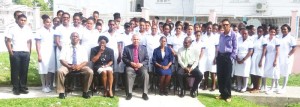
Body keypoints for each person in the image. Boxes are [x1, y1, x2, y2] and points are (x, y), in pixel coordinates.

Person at [56, 32, 93, 99]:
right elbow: (61, 59)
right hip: (68, 65)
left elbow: (85, 61)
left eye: (76, 36)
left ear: (79, 38)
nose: (75, 37)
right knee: (60, 71)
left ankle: (85, 91)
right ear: (70, 38)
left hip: (80, 65)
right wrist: (69, 66)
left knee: (90, 72)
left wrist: (79, 66)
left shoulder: (82, 48)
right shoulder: (65, 47)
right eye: (73, 36)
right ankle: (61, 92)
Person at [5, 14, 32, 95]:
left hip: (25, 52)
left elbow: (29, 41)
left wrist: (29, 52)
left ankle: (22, 87)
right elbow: (8, 41)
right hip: (15, 52)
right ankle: (16, 88)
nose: (23, 22)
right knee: (15, 71)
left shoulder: (28, 29)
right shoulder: (12, 29)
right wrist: (10, 52)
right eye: (21, 20)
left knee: (24, 71)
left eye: (24, 20)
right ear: (17, 20)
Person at [215, 19, 237, 102]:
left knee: (227, 77)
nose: (225, 26)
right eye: (223, 24)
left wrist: (231, 57)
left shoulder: (233, 35)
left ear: (229, 25)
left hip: (228, 57)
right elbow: (219, 46)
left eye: (226, 24)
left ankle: (228, 95)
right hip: (220, 56)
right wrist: (217, 56)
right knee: (220, 76)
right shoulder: (221, 35)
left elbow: (235, 47)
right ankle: (222, 93)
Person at [122, 34, 149, 100]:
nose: (136, 41)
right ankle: (129, 93)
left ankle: (145, 93)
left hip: (140, 66)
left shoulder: (144, 48)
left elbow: (147, 59)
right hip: (131, 66)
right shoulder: (127, 48)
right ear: (132, 40)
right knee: (128, 73)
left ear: (139, 40)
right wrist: (130, 63)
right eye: (134, 39)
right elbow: (124, 58)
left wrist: (141, 64)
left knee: (145, 74)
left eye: (137, 39)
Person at [35, 15, 56, 93]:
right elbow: (37, 43)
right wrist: (39, 54)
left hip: (51, 52)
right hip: (43, 51)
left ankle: (48, 84)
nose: (49, 23)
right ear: (44, 22)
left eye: (50, 22)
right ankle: (44, 86)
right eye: (47, 22)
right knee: (43, 69)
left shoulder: (53, 31)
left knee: (50, 70)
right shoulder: (40, 31)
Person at [278, 24, 296, 94]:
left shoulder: (291, 38)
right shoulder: (279, 37)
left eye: (285, 29)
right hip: (280, 57)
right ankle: (277, 86)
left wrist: (288, 55)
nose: (283, 30)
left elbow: (294, 48)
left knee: (286, 72)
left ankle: (284, 87)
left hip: (287, 57)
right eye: (282, 29)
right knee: (278, 71)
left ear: (288, 30)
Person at [234, 28, 253, 93]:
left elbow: (250, 51)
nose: (244, 35)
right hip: (238, 57)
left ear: (248, 34)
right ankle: (239, 86)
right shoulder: (238, 39)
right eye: (243, 33)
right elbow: (235, 49)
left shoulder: (250, 40)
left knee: (245, 73)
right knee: (238, 73)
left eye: (245, 33)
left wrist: (243, 59)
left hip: (246, 59)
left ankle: (244, 87)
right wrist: (236, 58)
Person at [262, 26, 280, 94]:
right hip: (267, 57)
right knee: (265, 71)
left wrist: (275, 60)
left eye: (274, 32)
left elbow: (278, 51)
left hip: (274, 56)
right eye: (271, 31)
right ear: (269, 32)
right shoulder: (266, 39)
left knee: (273, 72)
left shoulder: (276, 40)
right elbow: (265, 49)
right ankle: (265, 86)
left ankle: (272, 88)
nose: (273, 33)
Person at [201, 23, 218, 91]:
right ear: (206, 28)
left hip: (212, 56)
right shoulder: (203, 36)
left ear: (212, 28)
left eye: (210, 28)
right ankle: (205, 84)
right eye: (208, 28)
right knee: (206, 71)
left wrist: (215, 57)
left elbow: (217, 48)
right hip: (204, 56)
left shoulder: (215, 37)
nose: (209, 29)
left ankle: (213, 85)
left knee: (213, 71)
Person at [250, 26, 267, 93]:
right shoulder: (255, 38)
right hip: (255, 55)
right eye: (258, 31)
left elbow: (264, 50)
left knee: (258, 72)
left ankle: (257, 88)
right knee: (253, 72)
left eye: (261, 31)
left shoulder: (264, 39)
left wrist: (261, 60)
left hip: (260, 56)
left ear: (263, 32)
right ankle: (254, 87)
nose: (259, 32)